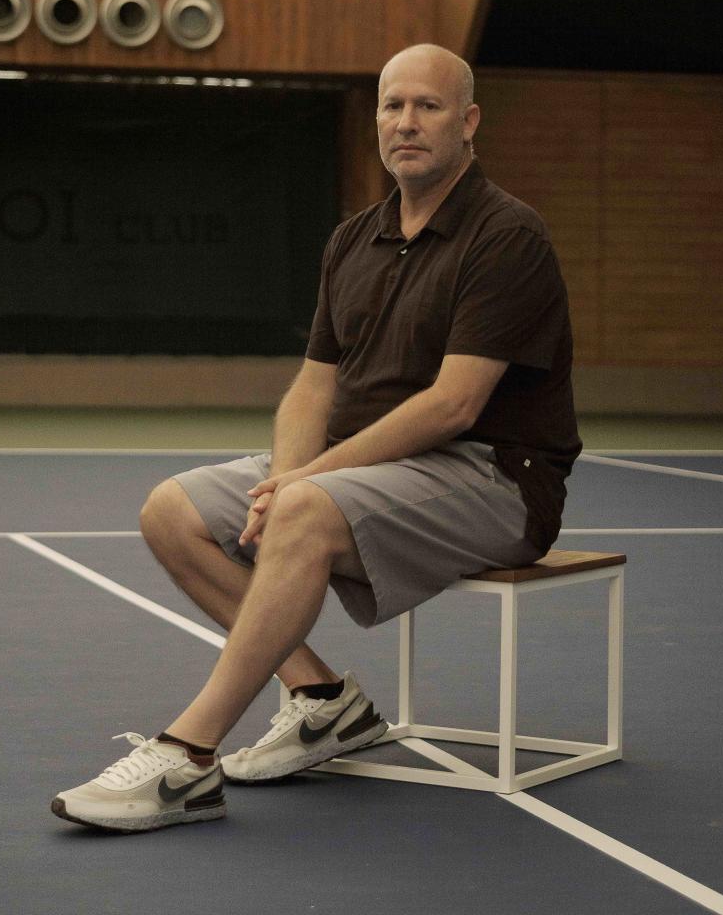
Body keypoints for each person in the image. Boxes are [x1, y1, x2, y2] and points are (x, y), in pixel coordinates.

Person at [51, 43, 582, 832]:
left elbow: (453, 406)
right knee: (174, 510)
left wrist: (302, 488)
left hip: (496, 478)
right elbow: (313, 387)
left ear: (468, 123)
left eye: (428, 106)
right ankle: (324, 702)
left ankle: (189, 757)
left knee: (302, 509)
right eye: (392, 106)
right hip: (368, 468)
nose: (407, 122)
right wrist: (286, 478)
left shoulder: (507, 236)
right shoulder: (353, 240)